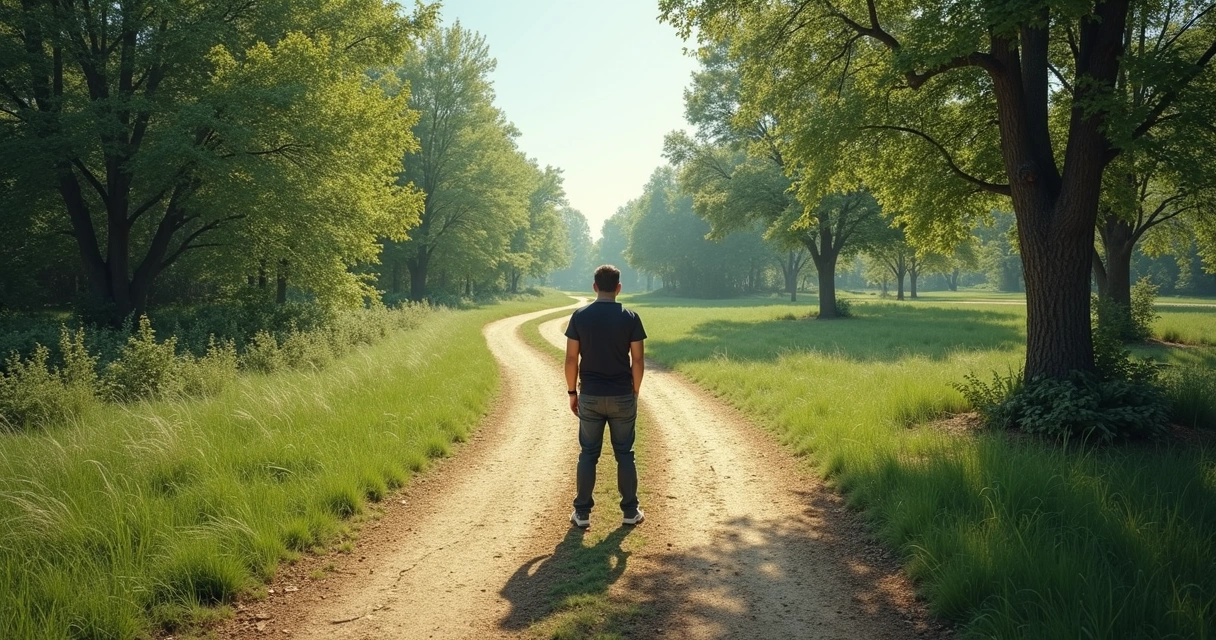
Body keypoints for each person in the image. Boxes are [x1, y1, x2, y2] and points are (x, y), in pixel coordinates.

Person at [564, 265, 646, 529]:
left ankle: (582, 513)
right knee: (625, 453)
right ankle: (630, 511)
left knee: (588, 453)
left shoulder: (580, 317)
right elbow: (638, 360)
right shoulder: (631, 318)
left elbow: (571, 359)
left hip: (590, 395)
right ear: (619, 288)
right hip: (622, 394)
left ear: (595, 287)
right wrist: (635, 391)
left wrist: (572, 392)